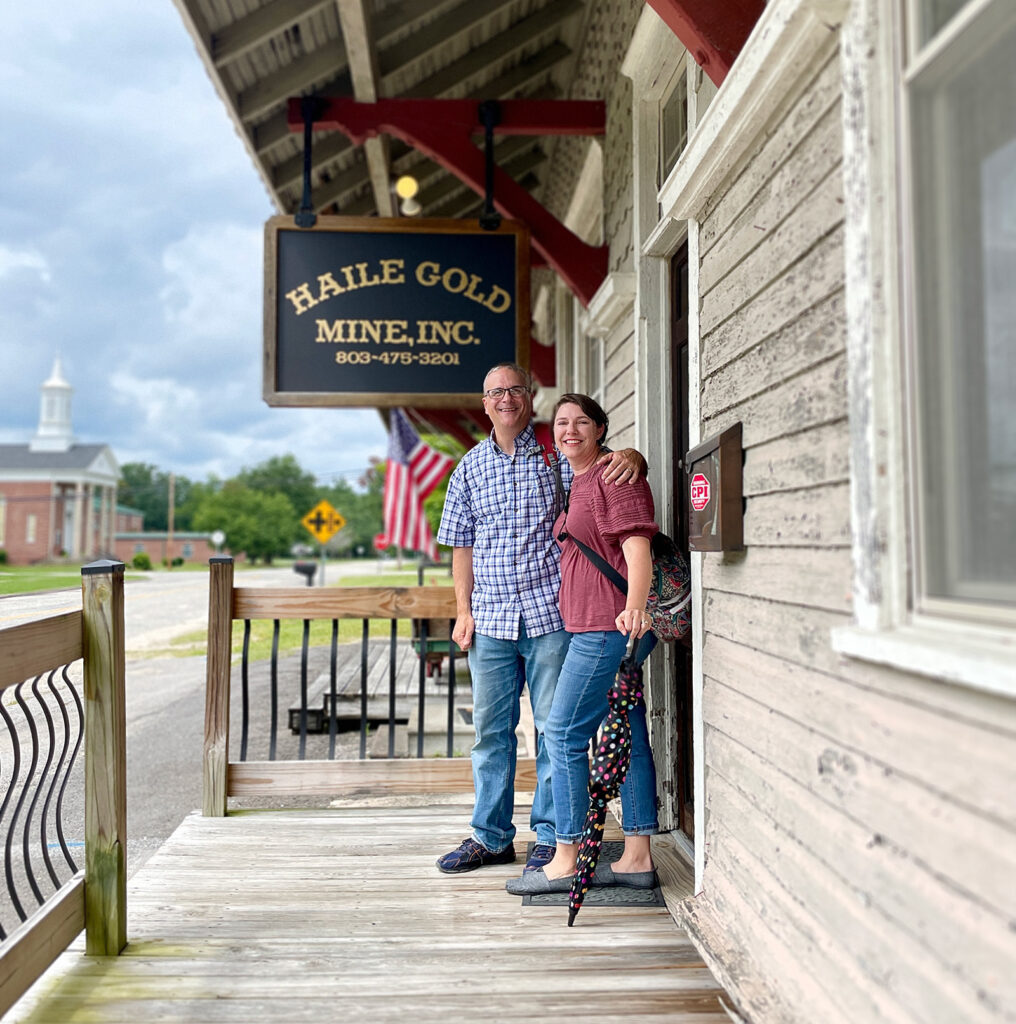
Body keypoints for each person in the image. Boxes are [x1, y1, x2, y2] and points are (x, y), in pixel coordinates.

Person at [435, 364, 646, 875]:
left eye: (514, 390)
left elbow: (597, 465)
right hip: (490, 622)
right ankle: (491, 837)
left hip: (553, 617)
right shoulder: (468, 469)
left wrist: (631, 456)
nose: (505, 399)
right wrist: (462, 612)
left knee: (555, 730)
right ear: (484, 404)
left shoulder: (556, 457)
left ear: (529, 398)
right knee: (491, 733)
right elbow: (461, 547)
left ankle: (552, 837)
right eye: (494, 393)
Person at [506, 393, 660, 895]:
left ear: (599, 429)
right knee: (630, 734)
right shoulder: (577, 480)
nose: (569, 430)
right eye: (562, 423)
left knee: (564, 735)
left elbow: (638, 549)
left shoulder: (616, 475)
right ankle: (637, 858)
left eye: (581, 422)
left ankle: (567, 855)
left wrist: (635, 608)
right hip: (591, 625)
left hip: (605, 627)